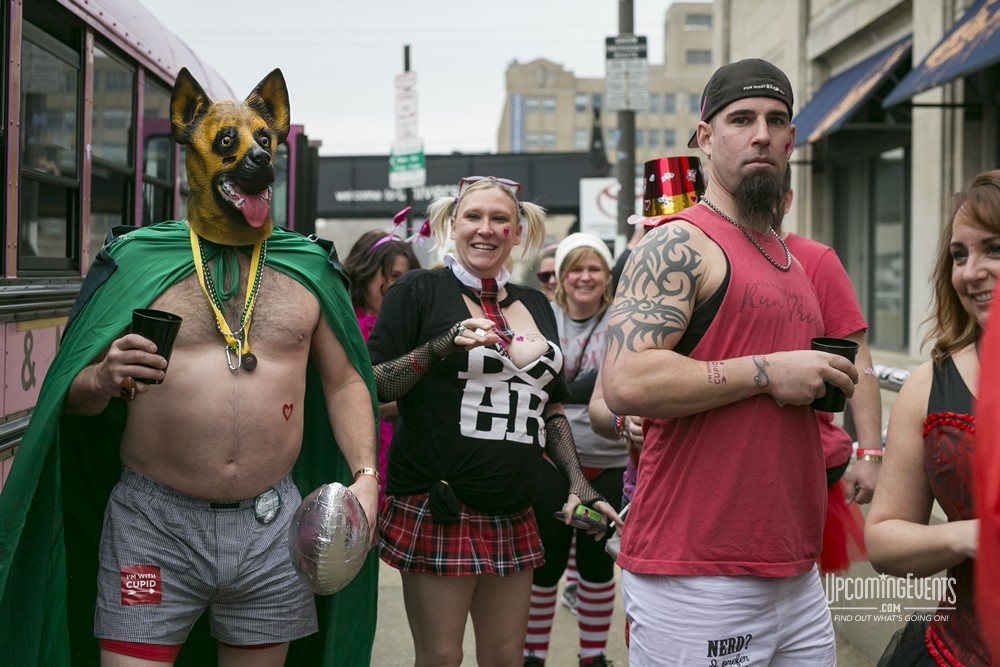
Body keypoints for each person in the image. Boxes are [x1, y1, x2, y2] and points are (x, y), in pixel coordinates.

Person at [0, 69, 380, 666]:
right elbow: (69, 399)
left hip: (272, 525)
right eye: (228, 143)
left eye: (263, 141)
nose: (253, 155)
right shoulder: (136, 261)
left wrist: (366, 475)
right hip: (152, 524)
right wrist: (101, 377)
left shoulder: (308, 267)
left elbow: (345, 379)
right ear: (189, 142)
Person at [601, 58, 857, 664]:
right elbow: (626, 381)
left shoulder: (786, 257)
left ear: (791, 139)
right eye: (741, 119)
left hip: (794, 568)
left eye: (776, 120)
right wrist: (769, 371)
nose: (761, 134)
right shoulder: (678, 241)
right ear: (706, 137)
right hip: (697, 573)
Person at [367, 176, 622, 667]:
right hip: (439, 504)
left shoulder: (537, 302)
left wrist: (577, 482)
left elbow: (549, 408)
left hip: (514, 505)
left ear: (517, 232)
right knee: (442, 657)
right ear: (453, 224)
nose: (485, 229)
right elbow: (374, 385)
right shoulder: (418, 290)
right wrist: (440, 347)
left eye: (499, 219)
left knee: (506, 657)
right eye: (473, 216)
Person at [866, 170, 999, 666]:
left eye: (994, 249)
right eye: (959, 255)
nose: (970, 272)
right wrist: (968, 537)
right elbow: (883, 539)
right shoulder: (929, 386)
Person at [523, 233, 625, 667]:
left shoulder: (623, 320)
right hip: (554, 465)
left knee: (596, 565)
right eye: (575, 269)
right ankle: (532, 656)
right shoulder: (544, 320)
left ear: (607, 277)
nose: (585, 277)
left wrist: (570, 388)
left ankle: (593, 657)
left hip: (612, 463)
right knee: (545, 566)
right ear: (561, 277)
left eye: (594, 268)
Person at [777, 166, 882, 574]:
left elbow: (859, 357)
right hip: (729, 465)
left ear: (788, 200)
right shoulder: (711, 253)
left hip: (810, 462)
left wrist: (869, 453)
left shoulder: (816, 259)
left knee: (797, 587)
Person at [342, 225, 421, 505]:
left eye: (404, 279)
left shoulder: (414, 327)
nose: (397, 287)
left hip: (403, 457)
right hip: (350, 453)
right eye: (392, 276)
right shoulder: (343, 325)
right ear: (364, 274)